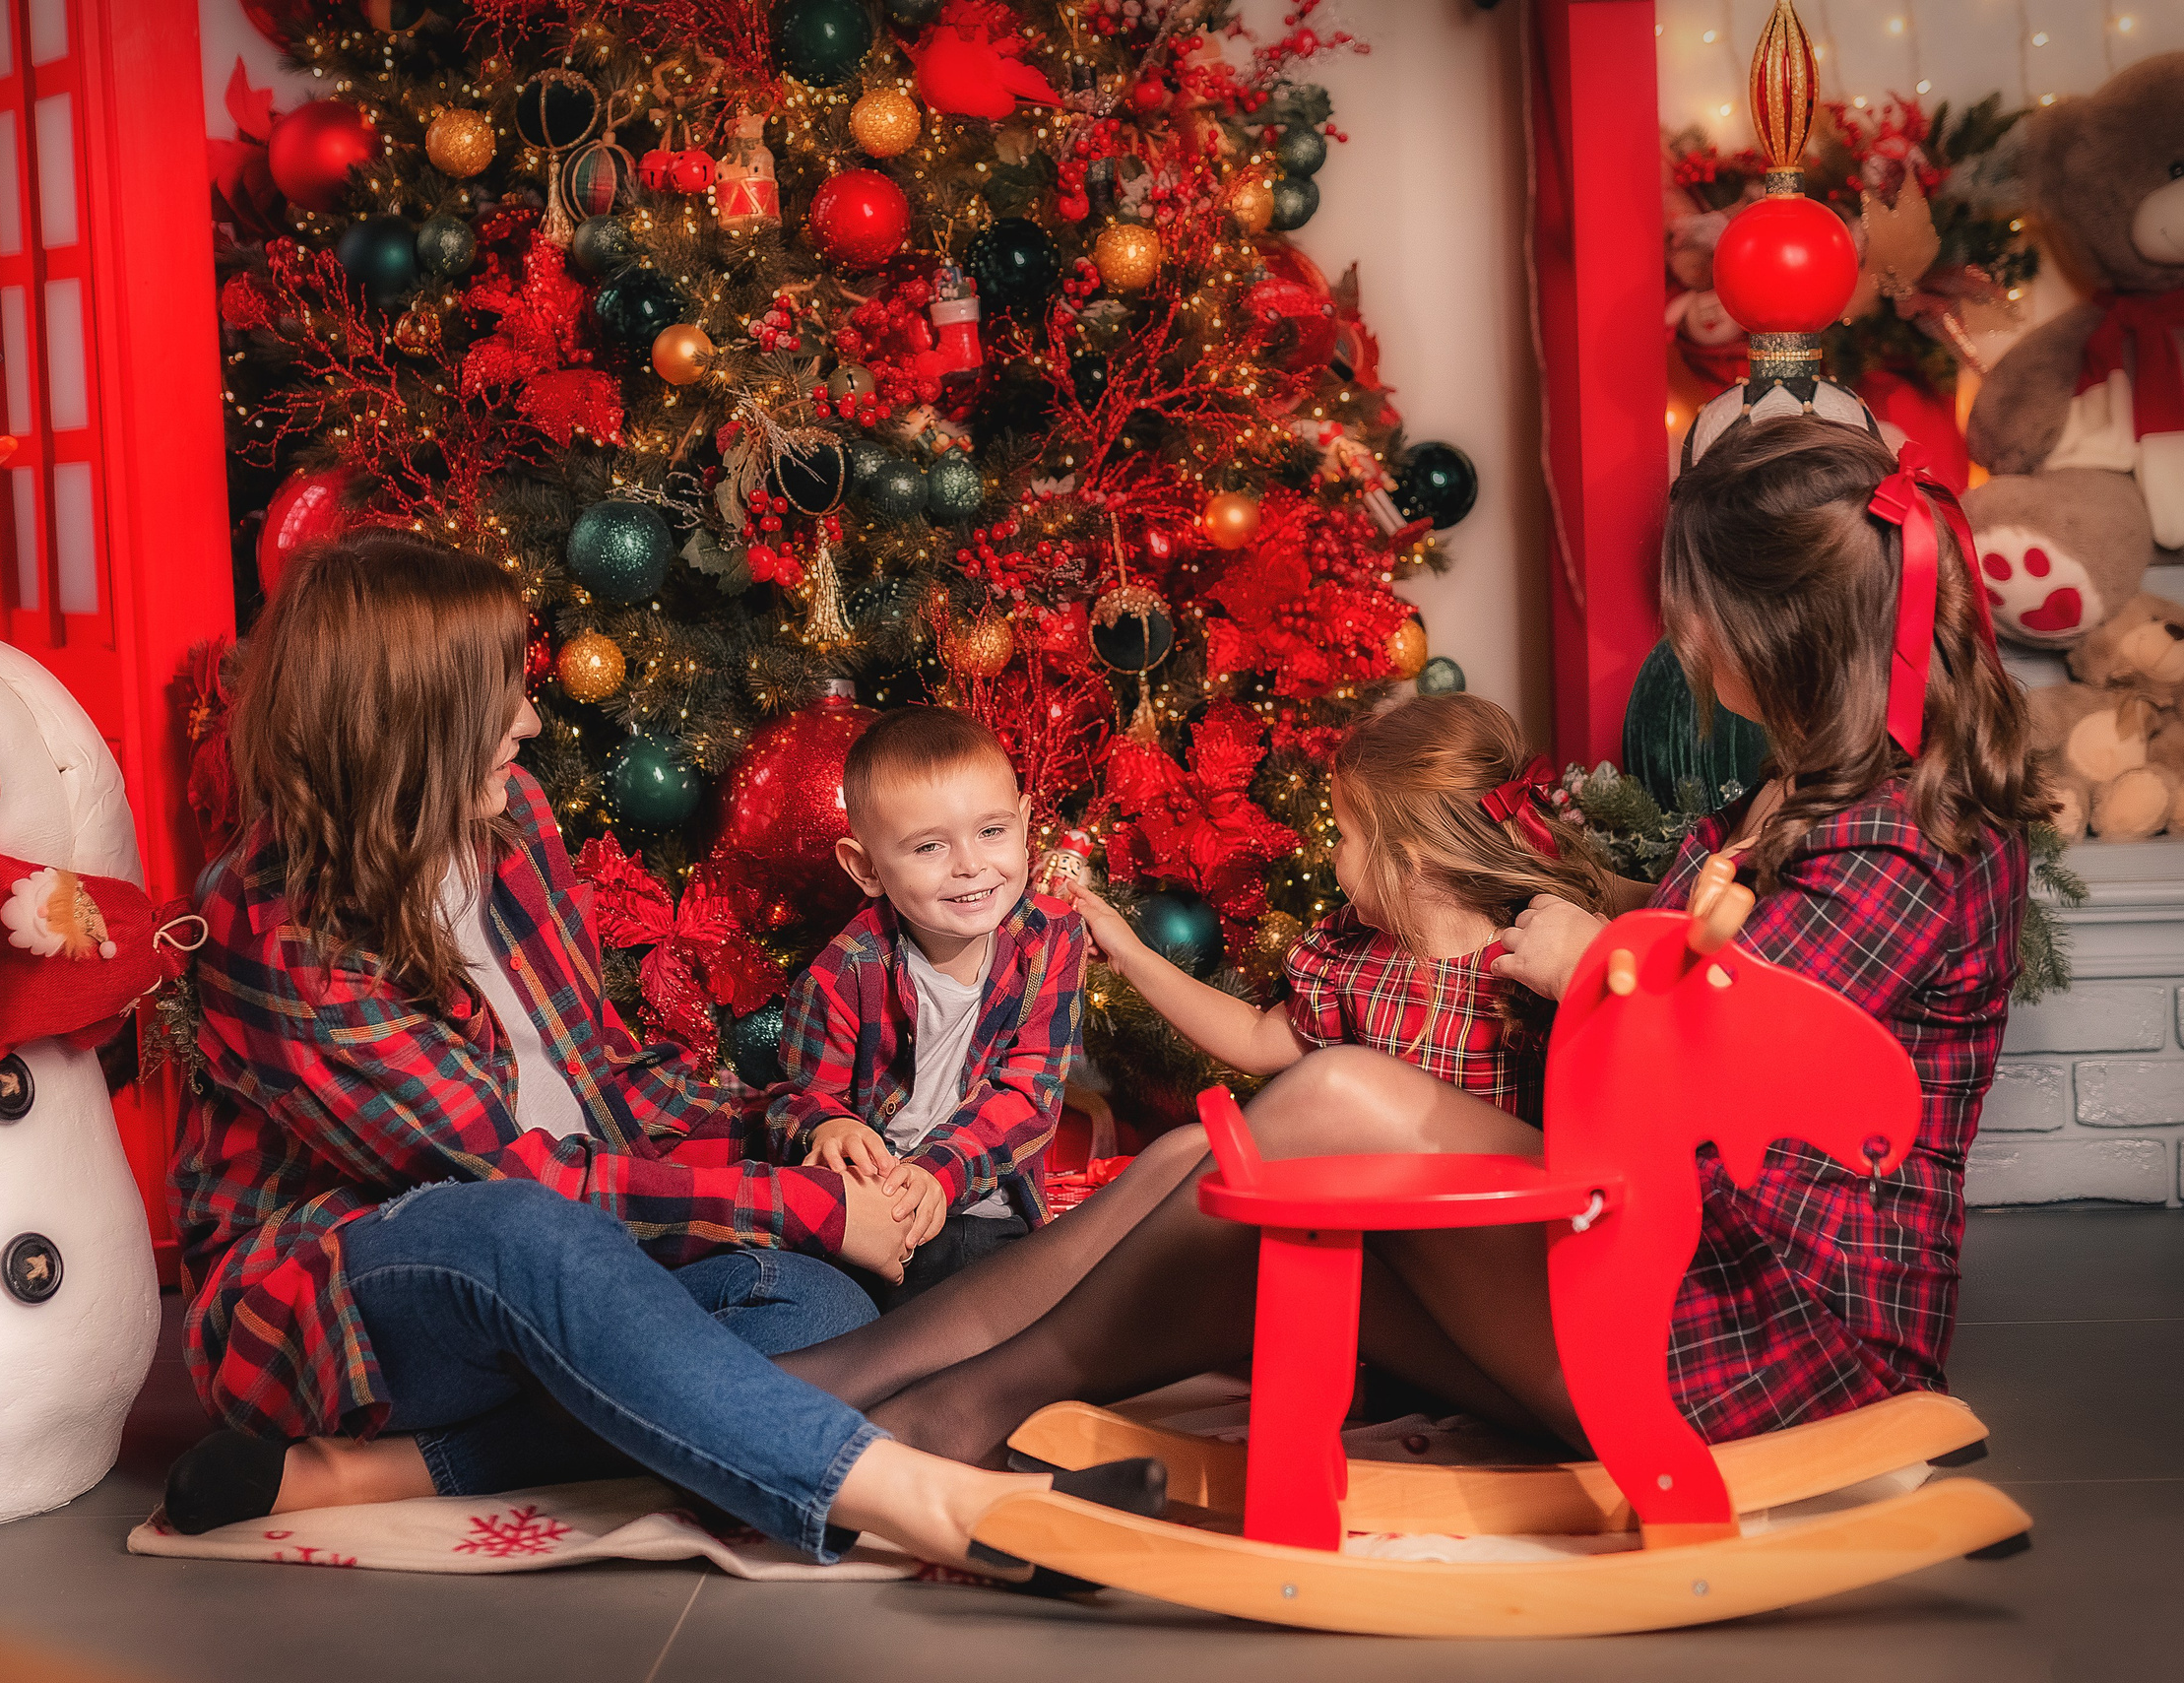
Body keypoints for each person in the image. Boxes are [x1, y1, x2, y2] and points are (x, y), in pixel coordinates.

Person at [775, 417, 2042, 1467]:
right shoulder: (1793, 800)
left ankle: (946, 1412)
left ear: (1780, 629)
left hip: (1760, 1343)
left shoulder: (1905, 837)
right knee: (1193, 1178)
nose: (1683, 638)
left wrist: (1590, 966)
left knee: (1332, 1093)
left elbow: (1727, 1073)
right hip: (1659, 1261)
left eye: (1694, 609)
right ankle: (850, 1382)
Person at [161, 531, 1161, 1571]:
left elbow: (603, 1074)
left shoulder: (510, 826)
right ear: (412, 720)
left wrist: (801, 1125)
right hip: (354, 1302)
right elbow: (510, 1174)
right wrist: (804, 1203)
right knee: (521, 1224)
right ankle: (939, 1502)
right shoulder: (281, 925)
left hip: (577, 1262)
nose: (531, 719)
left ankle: (401, 1470)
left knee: (816, 1302)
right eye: (501, 695)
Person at [1064, 692, 1609, 1126]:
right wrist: (1129, 953)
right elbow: (1253, 1039)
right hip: (1377, 1230)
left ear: (1408, 861)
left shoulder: (1536, 958)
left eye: (1344, 836)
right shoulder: (1355, 960)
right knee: (1183, 1153)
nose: (1331, 853)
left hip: (1484, 1234)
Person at [769, 707, 1087, 1307]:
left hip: (990, 1203)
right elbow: (802, 1099)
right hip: (882, 1215)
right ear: (866, 868)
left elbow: (1031, 1096)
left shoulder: (1052, 939)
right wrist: (827, 1126)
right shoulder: (842, 974)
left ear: (1024, 824)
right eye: (929, 846)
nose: (970, 865)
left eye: (992, 832)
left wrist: (937, 1173)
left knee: (1030, 1285)